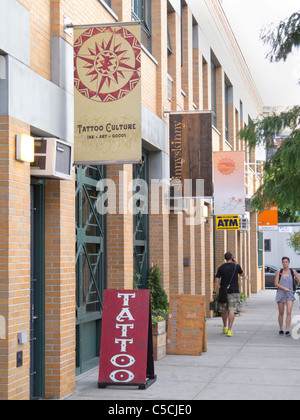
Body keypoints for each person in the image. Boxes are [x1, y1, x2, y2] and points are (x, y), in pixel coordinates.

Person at [213, 252, 245, 337]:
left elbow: (216, 280)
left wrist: (214, 291)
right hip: (234, 292)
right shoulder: (236, 266)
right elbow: (243, 274)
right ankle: (230, 330)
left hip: (223, 292)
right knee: (231, 310)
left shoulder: (221, 267)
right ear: (232, 258)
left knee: (223, 310)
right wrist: (236, 262)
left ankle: (225, 326)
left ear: (225, 259)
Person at [274, 256, 300, 337]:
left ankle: (287, 330)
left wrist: (296, 286)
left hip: (289, 294)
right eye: (283, 262)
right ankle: (281, 329)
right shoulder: (279, 271)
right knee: (281, 312)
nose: (285, 263)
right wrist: (283, 288)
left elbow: (299, 280)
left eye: (286, 262)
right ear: (282, 263)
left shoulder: (293, 271)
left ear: (288, 263)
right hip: (281, 294)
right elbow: (276, 283)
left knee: (289, 311)